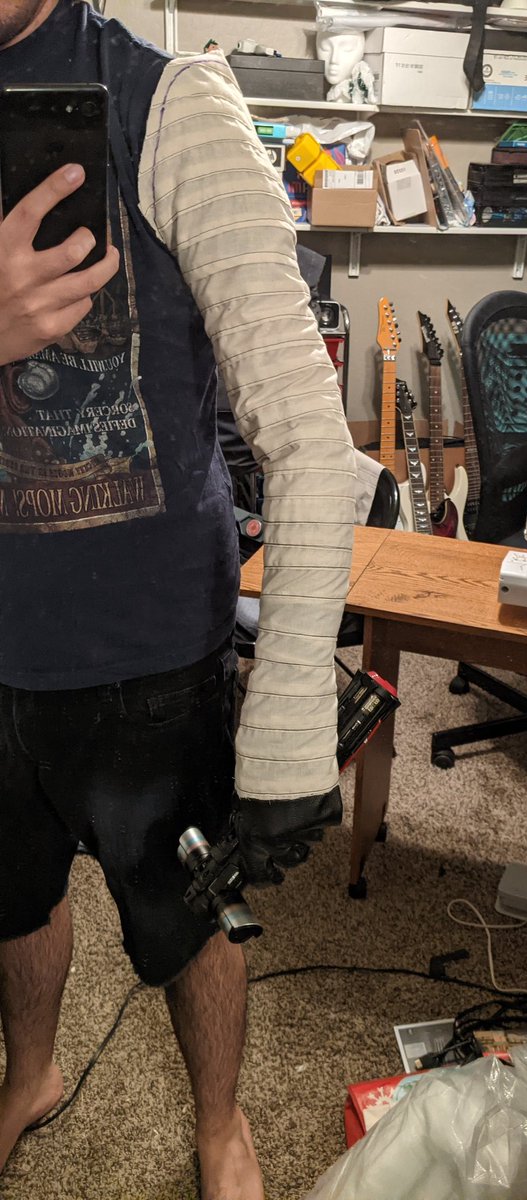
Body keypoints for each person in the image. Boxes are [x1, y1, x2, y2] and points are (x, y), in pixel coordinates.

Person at [0, 3, 356, 1198]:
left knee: (191, 915)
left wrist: (291, 722)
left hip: (147, 650)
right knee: (12, 897)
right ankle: (29, 1075)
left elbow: (309, 441)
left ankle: (221, 1120)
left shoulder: (174, 107)